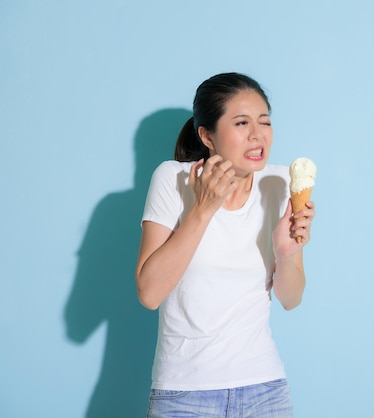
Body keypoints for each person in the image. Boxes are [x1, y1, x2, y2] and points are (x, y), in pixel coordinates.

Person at [136, 72, 315, 418]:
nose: (257, 135)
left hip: (265, 390)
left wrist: (285, 253)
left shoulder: (280, 183)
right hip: (184, 395)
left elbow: (291, 299)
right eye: (241, 123)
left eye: (265, 122)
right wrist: (202, 209)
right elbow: (149, 293)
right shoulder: (172, 179)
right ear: (207, 136)